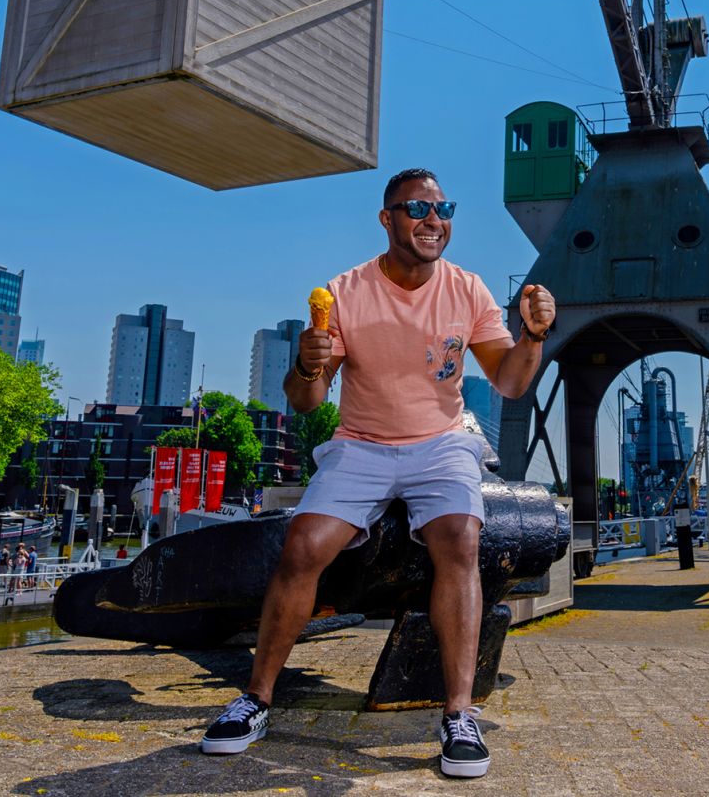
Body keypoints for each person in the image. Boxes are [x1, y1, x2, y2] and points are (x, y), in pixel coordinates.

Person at [202, 168, 556, 779]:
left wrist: (532, 335)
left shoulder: (467, 290)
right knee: (303, 546)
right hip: (362, 444)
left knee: (460, 539)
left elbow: (510, 381)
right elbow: (307, 402)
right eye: (416, 207)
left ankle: (458, 715)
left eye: (443, 207)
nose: (433, 218)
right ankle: (256, 698)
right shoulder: (346, 293)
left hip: (442, 443)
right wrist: (308, 365)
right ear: (387, 218)